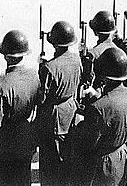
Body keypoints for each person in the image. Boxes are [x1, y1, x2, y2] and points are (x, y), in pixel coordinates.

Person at [69, 47, 127, 186]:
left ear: (104, 77)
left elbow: (87, 143)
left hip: (103, 165)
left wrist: (80, 123)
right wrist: (98, 97)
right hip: (121, 157)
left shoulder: (99, 108)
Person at [0, 30, 40, 186]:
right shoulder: (34, 76)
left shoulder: (0, 86)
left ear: (7, 57)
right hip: (25, 140)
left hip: (4, 146)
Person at [37, 21, 82, 186]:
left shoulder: (49, 68)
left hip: (53, 116)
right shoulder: (76, 60)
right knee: (67, 158)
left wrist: (41, 68)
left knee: (50, 165)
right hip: (70, 109)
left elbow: (41, 97)